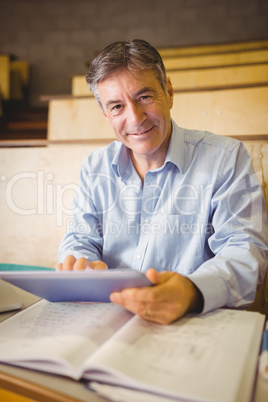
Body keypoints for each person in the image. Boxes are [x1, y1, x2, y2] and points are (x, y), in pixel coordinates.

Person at [57, 39, 268, 324]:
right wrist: (80, 263)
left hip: (194, 322)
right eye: (117, 106)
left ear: (168, 92)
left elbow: (245, 252)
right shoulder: (95, 167)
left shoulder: (226, 158)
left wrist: (192, 291)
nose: (135, 118)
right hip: (110, 319)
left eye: (144, 97)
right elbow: (80, 239)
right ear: (106, 114)